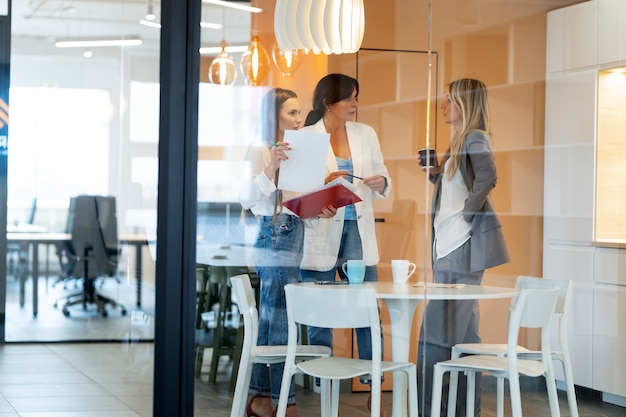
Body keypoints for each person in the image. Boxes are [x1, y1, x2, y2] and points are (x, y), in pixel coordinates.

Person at [298, 73, 391, 416]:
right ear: (327, 102)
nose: (354, 104)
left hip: (358, 232)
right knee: (320, 313)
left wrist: (383, 181)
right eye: (348, 99)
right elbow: (296, 191)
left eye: (356, 98)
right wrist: (324, 182)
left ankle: (374, 389)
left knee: (367, 313)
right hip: (321, 231)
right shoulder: (306, 137)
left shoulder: (365, 134)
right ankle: (324, 387)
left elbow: (382, 175)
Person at [418, 78, 510, 417]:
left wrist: (469, 215)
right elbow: (456, 192)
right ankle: (462, 410)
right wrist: (435, 174)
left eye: (449, 101)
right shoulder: (459, 141)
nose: (442, 106)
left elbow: (488, 176)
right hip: (451, 248)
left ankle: (426, 410)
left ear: (465, 105)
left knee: (433, 336)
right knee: (465, 337)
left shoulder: (473, 137)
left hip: (460, 247)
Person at [239, 88, 334, 417]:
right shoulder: (260, 149)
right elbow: (246, 198)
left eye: (298, 112)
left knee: (272, 320)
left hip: (291, 230)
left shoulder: (293, 149)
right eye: (291, 113)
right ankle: (285, 403)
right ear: (272, 116)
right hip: (273, 234)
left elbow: (293, 202)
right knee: (280, 321)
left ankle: (261, 399)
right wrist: (273, 167)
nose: (298, 119)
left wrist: (318, 206)